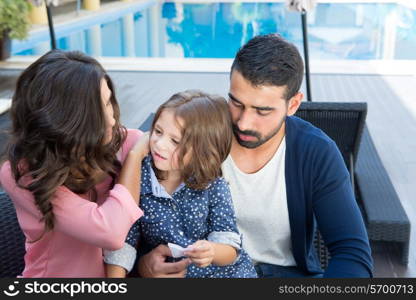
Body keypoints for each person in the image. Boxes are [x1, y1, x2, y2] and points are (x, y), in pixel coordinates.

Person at [136, 34, 373, 278]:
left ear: (293, 104)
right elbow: (149, 211)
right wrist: (143, 265)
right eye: (236, 103)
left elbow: (351, 253)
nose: (243, 122)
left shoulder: (316, 153)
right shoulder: (198, 136)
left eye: (262, 111)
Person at [0, 50, 149, 277]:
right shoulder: (21, 174)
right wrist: (134, 159)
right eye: (96, 112)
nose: (111, 119)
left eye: (108, 102)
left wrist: (149, 263)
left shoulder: (127, 142)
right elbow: (109, 231)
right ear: (65, 121)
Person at [104, 90, 257, 278]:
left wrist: (211, 251)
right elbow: (124, 240)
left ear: (203, 151)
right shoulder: (140, 176)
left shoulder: (213, 184)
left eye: (175, 141)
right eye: (158, 131)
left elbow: (230, 245)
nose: (160, 144)